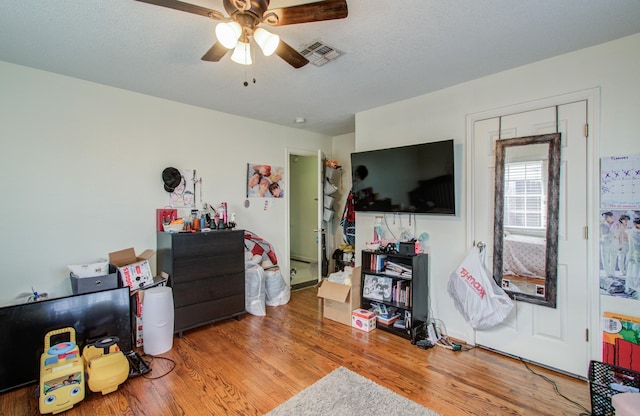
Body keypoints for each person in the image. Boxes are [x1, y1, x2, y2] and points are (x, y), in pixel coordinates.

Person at [625, 218, 640, 296]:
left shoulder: (631, 232)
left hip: (632, 254)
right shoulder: (635, 233)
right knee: (635, 272)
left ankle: (631, 288)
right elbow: (637, 245)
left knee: (633, 271)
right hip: (636, 254)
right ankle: (634, 288)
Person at [600, 211, 615, 277]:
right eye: (604, 217)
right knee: (605, 258)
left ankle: (612, 272)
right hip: (604, 243)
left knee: (613, 258)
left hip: (614, 243)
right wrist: (601, 240)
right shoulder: (601, 225)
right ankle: (608, 273)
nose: (605, 218)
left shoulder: (616, 224)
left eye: (606, 217)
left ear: (611, 217)